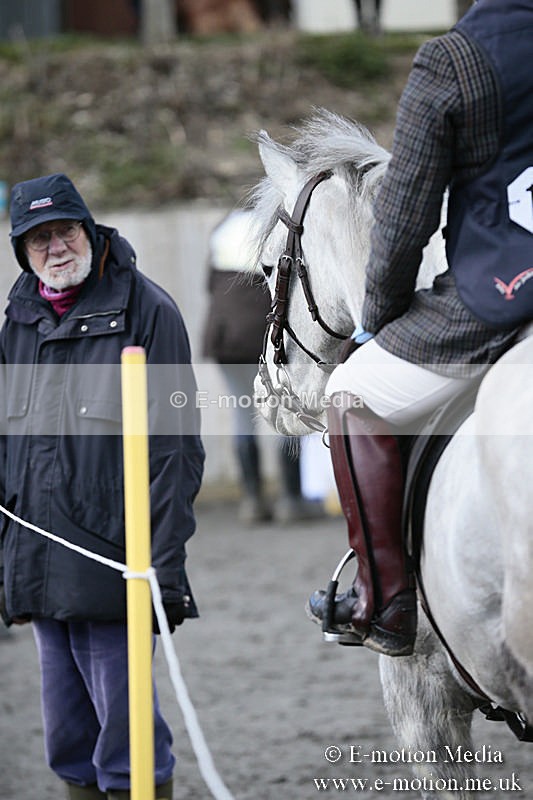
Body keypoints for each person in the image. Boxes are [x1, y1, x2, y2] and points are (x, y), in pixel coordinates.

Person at [308, 0, 533, 656]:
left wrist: (376, 317)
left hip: (497, 289)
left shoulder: (451, 59)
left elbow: (405, 214)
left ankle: (384, 602)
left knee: (351, 394)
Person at [0, 173, 205, 799]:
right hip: (38, 563)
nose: (55, 248)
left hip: (116, 563)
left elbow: (175, 453)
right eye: (38, 240)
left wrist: (160, 572)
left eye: (64, 231)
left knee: (128, 741)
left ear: (88, 230)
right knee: (67, 737)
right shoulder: (18, 321)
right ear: (22, 252)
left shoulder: (149, 310)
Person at [203, 208, 323, 524]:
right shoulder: (277, 228)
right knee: (288, 409)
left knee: (244, 415)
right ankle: (290, 501)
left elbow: (209, 285)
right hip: (264, 334)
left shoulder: (224, 226)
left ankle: (253, 501)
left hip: (225, 337)